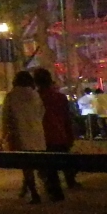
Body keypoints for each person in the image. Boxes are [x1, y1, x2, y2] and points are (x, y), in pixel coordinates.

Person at [1, 70, 48, 203]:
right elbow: (41, 112)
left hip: (20, 133)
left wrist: (3, 134)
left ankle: (34, 193)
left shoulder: (11, 96)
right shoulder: (35, 95)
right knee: (38, 163)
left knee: (26, 166)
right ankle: (43, 188)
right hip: (37, 133)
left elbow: (5, 117)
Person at [33, 68, 76, 196]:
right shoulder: (60, 97)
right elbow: (67, 118)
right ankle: (70, 181)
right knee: (65, 161)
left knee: (49, 166)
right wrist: (69, 134)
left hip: (43, 136)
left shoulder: (35, 99)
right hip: (60, 134)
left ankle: (54, 190)